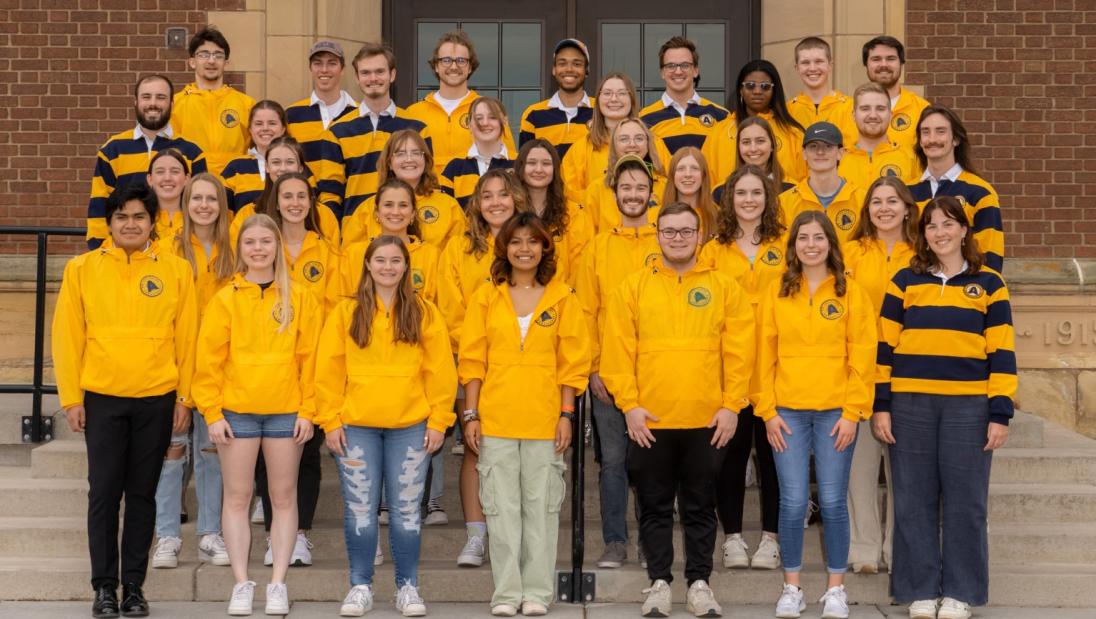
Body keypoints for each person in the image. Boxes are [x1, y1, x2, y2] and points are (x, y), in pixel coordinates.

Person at [600, 201, 753, 618]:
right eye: (669, 231)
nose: (678, 239)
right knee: (654, 505)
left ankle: (700, 583)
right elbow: (617, 352)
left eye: (686, 231)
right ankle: (659, 583)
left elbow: (740, 352)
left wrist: (731, 405)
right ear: (658, 235)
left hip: (707, 419)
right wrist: (629, 406)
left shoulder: (725, 286)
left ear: (699, 235)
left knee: (701, 505)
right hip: (650, 420)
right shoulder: (633, 287)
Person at [53, 183, 198, 618]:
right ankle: (103, 587)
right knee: (103, 494)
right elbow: (67, 336)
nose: (130, 224)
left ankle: (133, 586)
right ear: (109, 223)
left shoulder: (176, 270)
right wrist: (70, 397)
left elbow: (187, 337)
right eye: (122, 217)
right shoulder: (82, 268)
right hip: (101, 397)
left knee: (142, 495)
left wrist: (185, 397)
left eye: (139, 216)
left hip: (157, 397)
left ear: (153, 222)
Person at [874, 196, 1016, 619]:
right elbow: (885, 348)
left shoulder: (989, 283)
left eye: (948, 224)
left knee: (965, 501)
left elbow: (1003, 350)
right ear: (924, 233)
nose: (940, 232)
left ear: (964, 229)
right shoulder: (904, 280)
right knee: (912, 500)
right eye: (932, 225)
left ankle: (960, 592)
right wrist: (882, 406)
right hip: (910, 405)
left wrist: (1000, 412)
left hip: (968, 407)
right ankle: (919, 589)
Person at [316, 235, 457, 617]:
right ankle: (360, 585)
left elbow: (441, 371)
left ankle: (407, 586)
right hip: (356, 425)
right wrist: (329, 420)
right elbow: (328, 371)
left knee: (407, 510)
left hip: (410, 425)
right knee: (361, 509)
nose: (388, 267)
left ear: (406, 267)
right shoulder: (346, 313)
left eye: (396, 261)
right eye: (380, 260)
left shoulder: (424, 312)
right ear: (367, 264)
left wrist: (440, 420)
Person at [458, 211, 591, 616]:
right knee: (501, 512)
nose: (524, 249)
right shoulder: (486, 296)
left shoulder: (562, 297)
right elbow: (472, 361)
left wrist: (567, 414)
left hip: (544, 422)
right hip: (496, 421)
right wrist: (471, 414)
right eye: (516, 242)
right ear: (504, 249)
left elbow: (572, 364)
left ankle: (536, 593)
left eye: (533, 241)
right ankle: (506, 594)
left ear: (544, 247)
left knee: (542, 510)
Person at [193, 213, 322, 616]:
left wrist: (308, 410)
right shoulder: (225, 298)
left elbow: (313, 359)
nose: (259, 249)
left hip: (286, 412)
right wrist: (212, 413)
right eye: (251, 243)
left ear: (277, 247)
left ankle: (278, 583)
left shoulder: (300, 297)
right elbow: (208, 362)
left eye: (266, 241)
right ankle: (241, 582)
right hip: (237, 413)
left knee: (283, 498)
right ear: (241, 249)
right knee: (238, 497)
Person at [756, 210, 876, 619]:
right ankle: (792, 589)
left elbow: (863, 354)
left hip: (834, 414)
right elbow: (763, 354)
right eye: (803, 238)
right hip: (787, 412)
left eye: (818, 238)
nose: (811, 244)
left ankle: (835, 590)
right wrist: (767, 411)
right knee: (791, 502)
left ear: (830, 244)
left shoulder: (850, 293)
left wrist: (852, 411)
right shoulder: (778, 291)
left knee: (831, 500)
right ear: (793, 246)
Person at [573, 154, 662, 571]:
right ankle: (614, 541)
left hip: (655, 375)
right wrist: (591, 368)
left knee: (648, 461)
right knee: (613, 461)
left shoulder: (665, 240)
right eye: (625, 187)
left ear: (651, 193)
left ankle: (651, 541)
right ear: (614, 193)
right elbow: (586, 312)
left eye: (639, 187)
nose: (632, 194)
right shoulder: (597, 247)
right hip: (609, 374)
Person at [437, 169, 527, 568]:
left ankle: (517, 534)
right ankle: (476, 535)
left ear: (517, 200)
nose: (495, 202)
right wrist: (478, 347)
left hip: (522, 362)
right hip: (471, 361)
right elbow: (449, 305)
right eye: (487, 196)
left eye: (503, 195)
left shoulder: (531, 242)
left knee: (522, 452)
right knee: (476, 449)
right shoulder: (459, 247)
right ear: (476, 203)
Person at [699, 164, 786, 572]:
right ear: (729, 200)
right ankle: (732, 537)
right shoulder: (714, 249)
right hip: (727, 367)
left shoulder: (785, 244)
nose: (749, 200)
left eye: (757, 193)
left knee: (773, 458)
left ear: (768, 200)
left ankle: (771, 538)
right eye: (741, 193)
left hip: (775, 367)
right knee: (729, 457)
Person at [151, 174, 235, 572]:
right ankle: (167, 536)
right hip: (176, 364)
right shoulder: (166, 249)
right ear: (185, 204)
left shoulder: (234, 249)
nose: (204, 205)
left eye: (211, 199)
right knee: (172, 452)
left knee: (212, 452)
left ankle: (209, 533)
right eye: (196, 198)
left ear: (222, 205)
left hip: (221, 365)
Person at [842, 176, 919, 575]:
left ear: (907, 207)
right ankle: (864, 549)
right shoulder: (851, 252)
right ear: (867, 210)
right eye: (876, 202)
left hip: (908, 375)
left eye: (892, 201)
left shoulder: (922, 254)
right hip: (859, 372)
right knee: (859, 471)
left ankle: (896, 548)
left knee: (903, 472)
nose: (884, 208)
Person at [86, 74, 206, 248]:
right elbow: (99, 204)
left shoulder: (192, 152)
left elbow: (200, 205)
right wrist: (99, 250)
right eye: (146, 97)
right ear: (136, 102)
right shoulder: (113, 150)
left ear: (172, 104)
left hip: (180, 251)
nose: (153, 103)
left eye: (161, 97)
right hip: (126, 251)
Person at [314, 42, 430, 219]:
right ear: (357, 78)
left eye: (380, 72)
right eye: (366, 73)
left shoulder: (417, 128)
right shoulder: (336, 131)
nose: (373, 78)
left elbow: (427, 185)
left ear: (392, 75)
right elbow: (330, 195)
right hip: (355, 235)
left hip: (404, 231)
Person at [907, 105, 1004, 273]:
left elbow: (991, 258)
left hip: (962, 294)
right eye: (925, 132)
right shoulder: (906, 192)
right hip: (914, 292)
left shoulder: (980, 192)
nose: (932, 139)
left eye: (941, 131)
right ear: (920, 140)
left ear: (956, 139)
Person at [407, 30, 516, 178]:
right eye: (446, 60)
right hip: (427, 197)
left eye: (461, 60)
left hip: (475, 197)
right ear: (436, 66)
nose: (453, 66)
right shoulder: (413, 114)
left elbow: (508, 163)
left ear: (470, 67)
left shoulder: (490, 112)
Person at [341, 129, 466, 251]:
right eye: (400, 154)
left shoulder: (449, 206)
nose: (409, 159)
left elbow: (460, 254)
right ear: (389, 162)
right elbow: (350, 258)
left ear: (426, 160)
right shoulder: (368, 209)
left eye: (416, 153)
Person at [560, 72, 671, 205]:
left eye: (622, 93)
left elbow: (670, 187)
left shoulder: (653, 143)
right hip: (598, 224)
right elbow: (570, 198)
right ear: (598, 100)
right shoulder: (581, 149)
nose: (614, 99)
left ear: (632, 100)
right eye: (607, 93)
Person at [702, 59, 806, 191]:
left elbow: (806, 183)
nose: (757, 91)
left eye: (765, 86)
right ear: (740, 90)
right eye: (750, 85)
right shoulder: (719, 132)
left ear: (774, 90)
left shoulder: (792, 133)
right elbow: (706, 183)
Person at [171, 26, 255, 178]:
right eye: (204, 54)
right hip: (191, 186)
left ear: (226, 63)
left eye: (218, 55)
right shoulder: (175, 104)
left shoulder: (246, 104)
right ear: (192, 62)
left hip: (234, 186)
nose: (211, 60)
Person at [227, 136, 340, 245]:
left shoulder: (324, 215)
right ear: (267, 167)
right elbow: (235, 256)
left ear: (301, 168)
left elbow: (334, 258)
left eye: (290, 162)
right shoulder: (248, 213)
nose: (283, 168)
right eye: (276, 162)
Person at [513, 138, 593, 284]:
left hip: (563, 300)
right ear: (521, 167)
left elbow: (580, 269)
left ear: (555, 169)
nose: (539, 169)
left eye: (546, 164)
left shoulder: (573, 215)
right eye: (531, 163)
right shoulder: (509, 213)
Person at [639, 36, 729, 154]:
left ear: (696, 70)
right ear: (662, 72)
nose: (678, 71)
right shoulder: (643, 119)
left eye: (685, 65)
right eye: (671, 66)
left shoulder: (721, 116)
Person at [780, 121, 865, 242]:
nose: (820, 152)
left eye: (828, 146)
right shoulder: (784, 202)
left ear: (840, 153)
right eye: (813, 146)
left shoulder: (862, 199)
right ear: (804, 153)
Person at [583, 118, 666, 233]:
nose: (632, 144)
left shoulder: (665, 187)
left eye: (639, 138)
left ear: (648, 144)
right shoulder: (596, 190)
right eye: (624, 139)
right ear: (614, 145)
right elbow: (588, 238)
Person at [286, 41, 358, 168]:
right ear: (310, 68)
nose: (324, 70)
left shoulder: (360, 113)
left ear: (342, 69)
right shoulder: (291, 114)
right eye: (317, 63)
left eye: (332, 63)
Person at [518, 39, 595, 158]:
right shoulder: (533, 115)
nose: (569, 69)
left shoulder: (601, 110)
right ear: (554, 69)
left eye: (577, 64)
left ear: (586, 70)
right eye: (562, 63)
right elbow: (525, 166)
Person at [838, 82, 920, 191]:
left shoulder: (910, 160)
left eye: (880, 109)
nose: (873, 115)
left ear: (890, 115)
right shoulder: (838, 160)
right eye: (865, 108)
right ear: (854, 115)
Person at [440, 96, 515, 209]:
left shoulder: (519, 163)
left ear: (504, 122)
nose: (485, 123)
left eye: (492, 117)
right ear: (469, 125)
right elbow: (447, 213)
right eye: (479, 118)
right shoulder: (454, 168)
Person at [862, 36, 930, 154]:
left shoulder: (922, 109)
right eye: (876, 59)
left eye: (891, 58)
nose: (883, 64)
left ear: (901, 64)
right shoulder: (848, 111)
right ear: (866, 66)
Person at [787, 37, 857, 149]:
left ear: (830, 65)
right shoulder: (787, 112)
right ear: (797, 68)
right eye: (805, 63)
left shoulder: (851, 108)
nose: (812, 68)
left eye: (819, 61)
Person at [662, 146, 718, 240]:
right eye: (681, 169)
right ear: (672, 176)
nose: (688, 174)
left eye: (694, 168)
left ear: (704, 175)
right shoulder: (655, 216)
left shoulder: (718, 216)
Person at [143, 149, 191, 247]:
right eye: (160, 172)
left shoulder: (199, 219)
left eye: (175, 171)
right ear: (150, 179)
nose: (167, 178)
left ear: (187, 179)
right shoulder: (139, 220)